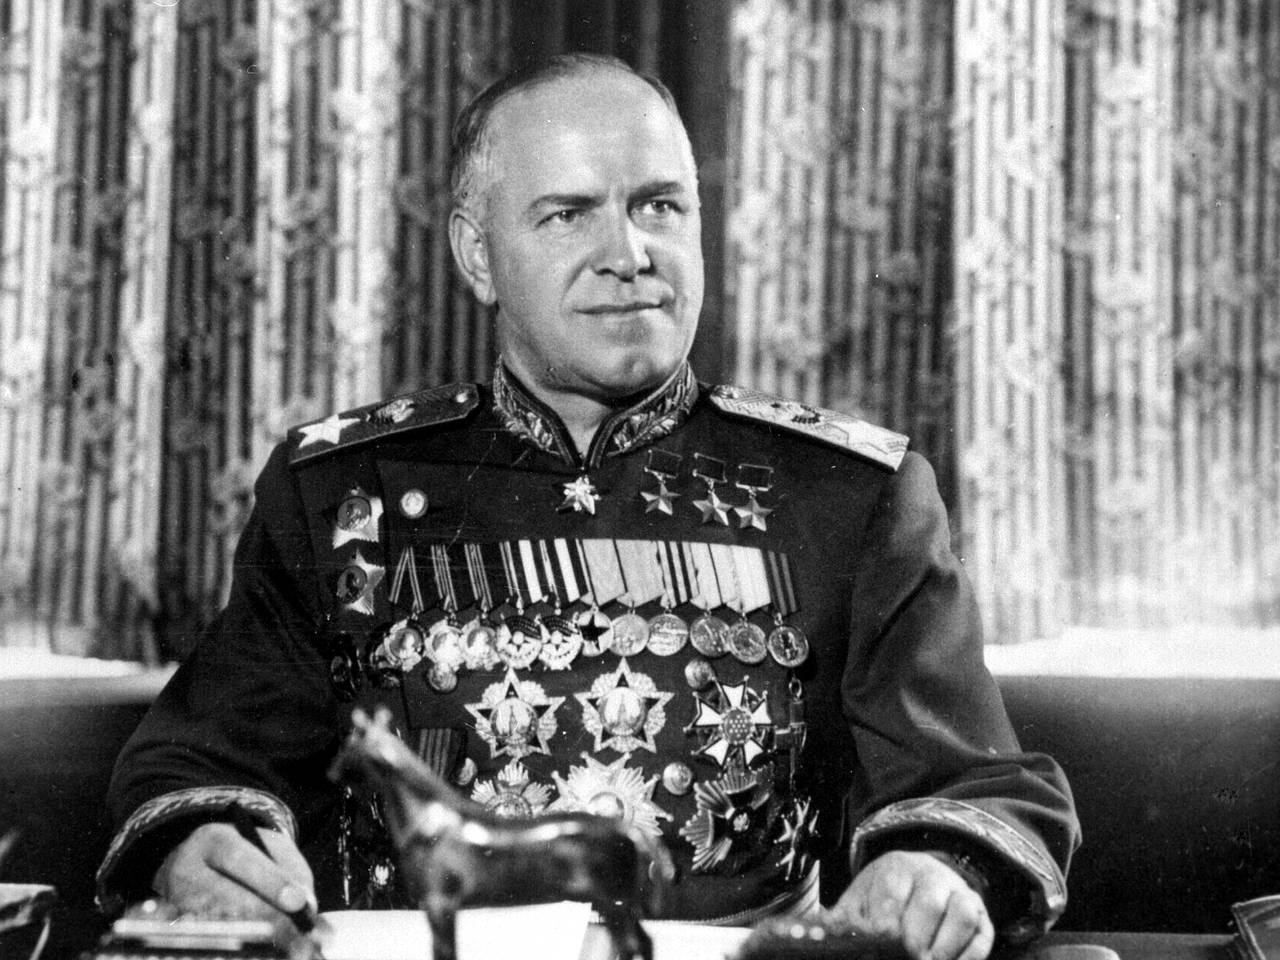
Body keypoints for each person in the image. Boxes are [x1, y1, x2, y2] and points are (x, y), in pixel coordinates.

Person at [97, 53, 1079, 960]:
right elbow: (200, 763)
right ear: (477, 255)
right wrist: (202, 846)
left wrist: (937, 870)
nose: (629, 253)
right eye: (568, 214)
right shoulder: (340, 493)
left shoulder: (849, 495)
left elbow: (974, 785)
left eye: (660, 206)